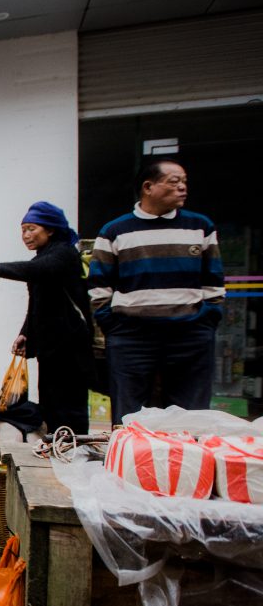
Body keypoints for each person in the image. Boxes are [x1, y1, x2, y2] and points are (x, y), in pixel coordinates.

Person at [87, 160, 223, 423]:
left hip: (190, 334)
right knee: (128, 415)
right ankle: (132, 463)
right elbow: (99, 287)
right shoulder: (115, 231)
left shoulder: (200, 226)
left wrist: (207, 319)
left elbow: (214, 280)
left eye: (184, 181)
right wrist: (113, 325)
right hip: (132, 336)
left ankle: (189, 462)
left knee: (191, 414)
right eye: (174, 181)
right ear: (148, 187)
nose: (182, 187)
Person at [0, 202, 94, 433]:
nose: (25, 235)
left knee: (69, 405)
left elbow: (39, 270)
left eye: (31, 228)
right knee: (51, 402)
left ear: (50, 229)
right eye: (23, 230)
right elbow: (36, 304)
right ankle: (58, 445)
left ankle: (76, 449)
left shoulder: (63, 253)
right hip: (51, 345)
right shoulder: (43, 257)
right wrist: (25, 333)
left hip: (70, 346)